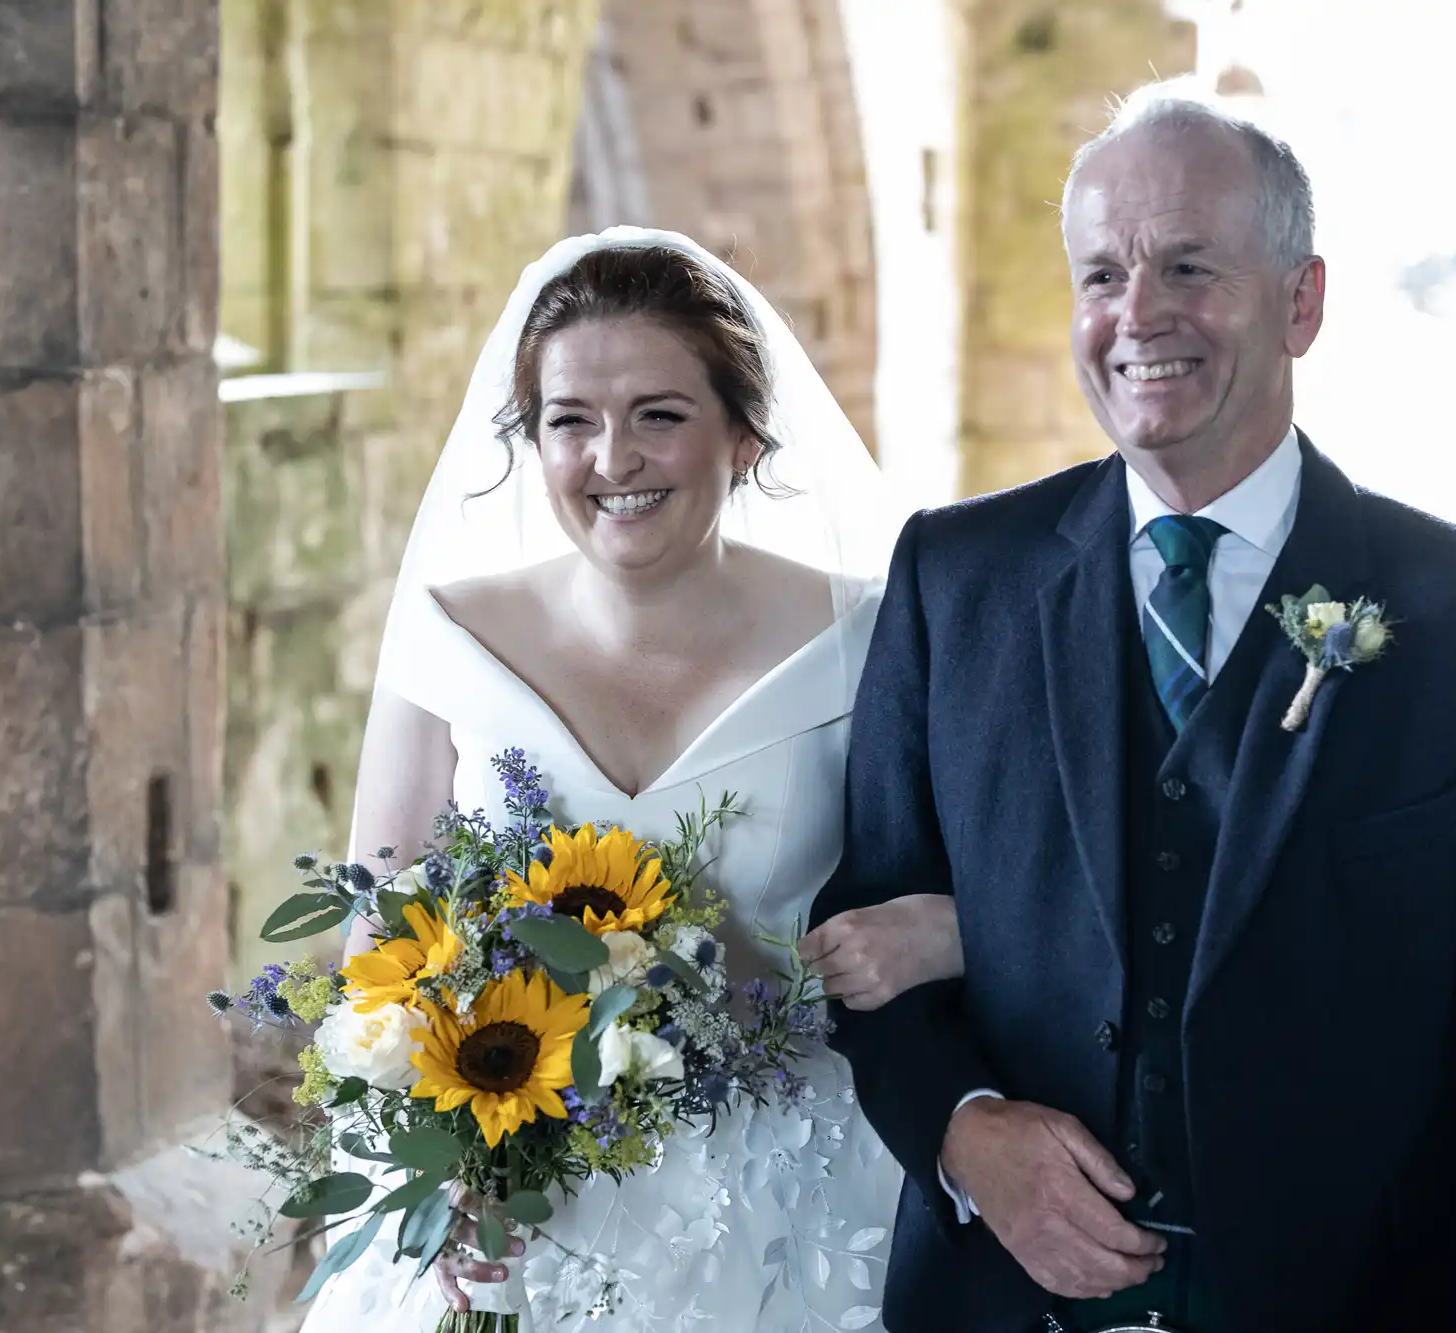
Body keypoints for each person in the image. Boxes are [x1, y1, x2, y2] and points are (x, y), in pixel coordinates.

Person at [808, 80, 1456, 1333]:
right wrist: (963, 1130)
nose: (1137, 315)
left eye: (1188, 266)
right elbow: (863, 945)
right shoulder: (953, 578)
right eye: (1100, 275)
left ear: (1300, 301)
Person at [297, 229, 961, 1333]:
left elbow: (991, 883)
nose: (612, 458)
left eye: (659, 414)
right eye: (569, 421)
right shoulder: (453, 632)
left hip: (792, 1195)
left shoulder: (872, 631)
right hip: (522, 1192)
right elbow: (381, 935)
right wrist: (433, 1178)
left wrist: (941, 931)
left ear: (743, 437)